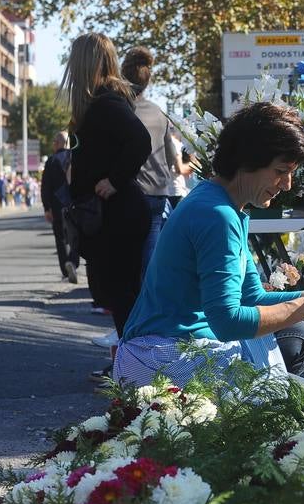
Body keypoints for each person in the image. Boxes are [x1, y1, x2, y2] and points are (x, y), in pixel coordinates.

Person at [115, 101, 304, 410]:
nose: (286, 185)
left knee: (298, 336)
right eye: (280, 172)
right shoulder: (217, 215)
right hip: (161, 359)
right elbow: (229, 323)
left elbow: (251, 297)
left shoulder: (222, 203)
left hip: (164, 347)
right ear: (248, 161)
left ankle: (236, 422)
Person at [62, 32, 153, 348]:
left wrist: (113, 180)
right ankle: (131, 363)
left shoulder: (106, 103)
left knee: (121, 294)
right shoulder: (102, 103)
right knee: (117, 294)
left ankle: (134, 367)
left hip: (118, 216)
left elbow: (140, 140)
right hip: (113, 216)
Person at [121, 46, 195, 278]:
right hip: (157, 194)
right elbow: (172, 162)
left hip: (128, 192)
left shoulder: (119, 110)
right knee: (149, 259)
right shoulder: (160, 113)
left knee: (127, 260)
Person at [41, 131, 80, 283]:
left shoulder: (51, 161)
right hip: (75, 203)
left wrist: (46, 208)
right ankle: (73, 261)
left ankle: (65, 270)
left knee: (60, 239)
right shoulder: (74, 157)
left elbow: (45, 187)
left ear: (57, 143)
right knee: (77, 236)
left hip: (57, 206)